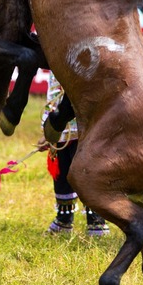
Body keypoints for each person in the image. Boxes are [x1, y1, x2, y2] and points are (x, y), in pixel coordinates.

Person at [42, 73, 108, 236]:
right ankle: (64, 220)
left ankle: (96, 221)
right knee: (62, 171)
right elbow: (53, 95)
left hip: (85, 124)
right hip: (60, 128)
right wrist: (47, 127)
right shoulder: (55, 63)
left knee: (87, 171)